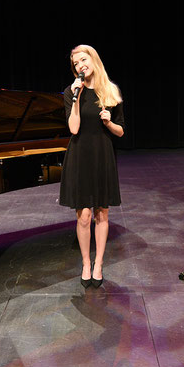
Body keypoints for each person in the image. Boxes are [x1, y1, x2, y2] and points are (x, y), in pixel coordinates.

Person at [58, 45, 125, 289]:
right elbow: (73, 128)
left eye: (83, 60)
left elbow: (120, 131)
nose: (80, 66)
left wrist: (108, 122)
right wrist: (75, 98)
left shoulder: (110, 91)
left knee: (102, 213)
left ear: (93, 60)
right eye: (75, 63)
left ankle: (99, 263)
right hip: (80, 157)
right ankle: (85, 263)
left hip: (102, 156)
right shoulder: (70, 91)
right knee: (84, 215)